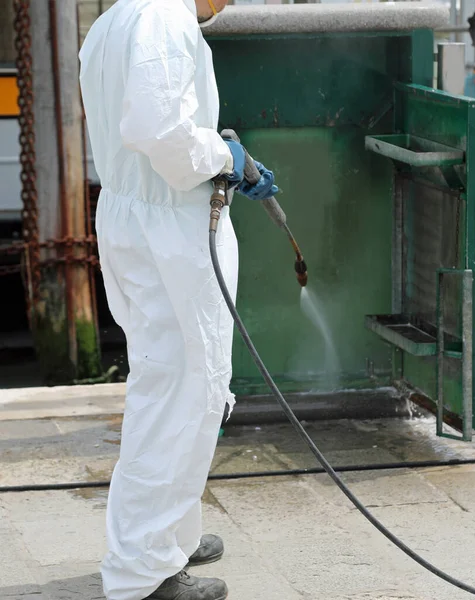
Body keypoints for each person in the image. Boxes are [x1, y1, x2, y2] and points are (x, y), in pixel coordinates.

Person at [79, 1, 278, 599]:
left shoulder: (117, 17)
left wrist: (215, 150)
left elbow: (146, 123)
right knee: (184, 388)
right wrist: (226, 158)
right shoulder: (163, 19)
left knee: (170, 379)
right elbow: (159, 132)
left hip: (134, 214)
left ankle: (170, 532)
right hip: (168, 228)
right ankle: (144, 572)